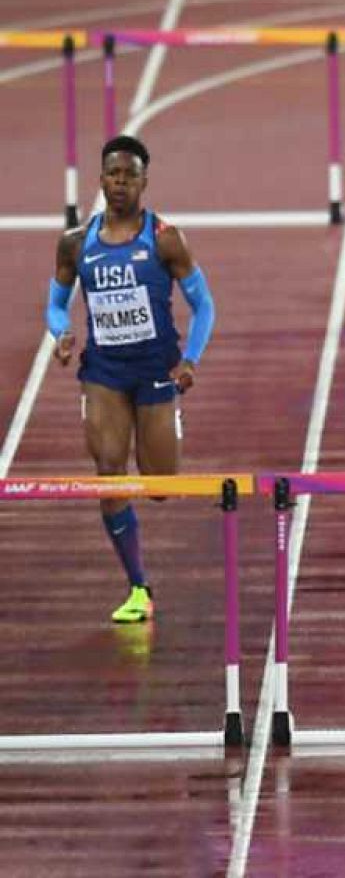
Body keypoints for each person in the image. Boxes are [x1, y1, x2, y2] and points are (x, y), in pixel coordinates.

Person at [44, 135, 217, 623]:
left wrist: (191, 361)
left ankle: (164, 434)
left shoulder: (165, 238)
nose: (119, 184)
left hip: (156, 370)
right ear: (101, 179)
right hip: (103, 373)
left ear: (144, 182)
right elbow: (56, 303)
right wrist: (60, 334)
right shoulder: (77, 242)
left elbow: (204, 305)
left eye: (128, 176)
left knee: (160, 486)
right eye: (112, 175)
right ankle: (139, 587)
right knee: (109, 475)